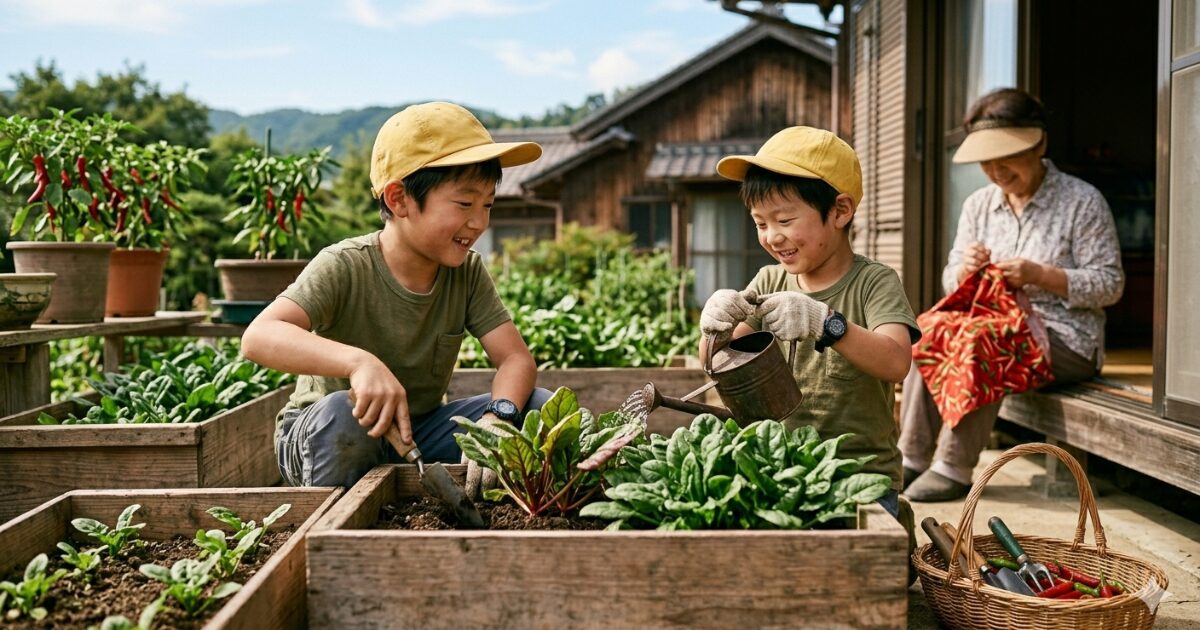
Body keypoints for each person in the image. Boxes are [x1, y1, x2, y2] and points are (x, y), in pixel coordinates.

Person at [241, 101, 553, 495]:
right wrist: (358, 363)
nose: (479, 222)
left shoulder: (467, 272)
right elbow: (259, 337)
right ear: (398, 199)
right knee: (343, 414)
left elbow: (515, 358)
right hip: (323, 432)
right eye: (464, 203)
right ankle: (333, 533)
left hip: (417, 432)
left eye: (487, 204)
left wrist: (499, 416)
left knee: (537, 407)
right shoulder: (344, 265)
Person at [900, 88, 1124, 502]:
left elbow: (1110, 284)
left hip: (1068, 340)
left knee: (983, 338)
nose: (995, 170)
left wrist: (1043, 275)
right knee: (928, 330)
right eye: (986, 161)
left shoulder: (1082, 201)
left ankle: (954, 465)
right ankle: (911, 456)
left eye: (1006, 157)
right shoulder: (979, 205)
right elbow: (952, 281)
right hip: (996, 326)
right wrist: (965, 270)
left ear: (1040, 143)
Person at [701, 126, 921, 520]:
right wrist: (713, 328)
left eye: (784, 219)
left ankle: (896, 520)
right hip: (780, 472)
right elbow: (716, 363)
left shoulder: (874, 282)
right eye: (760, 223)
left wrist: (827, 323)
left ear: (840, 211)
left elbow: (895, 362)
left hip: (859, 476)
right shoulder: (768, 281)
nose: (771, 236)